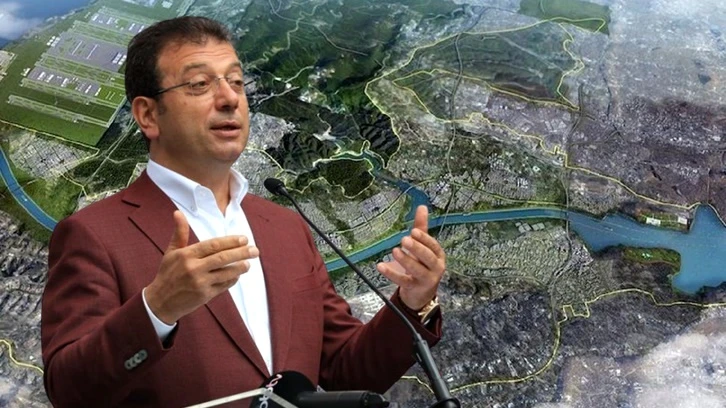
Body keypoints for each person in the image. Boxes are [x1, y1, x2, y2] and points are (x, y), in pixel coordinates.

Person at [41, 16, 446, 407]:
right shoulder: (95, 234)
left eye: (236, 81)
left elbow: (347, 371)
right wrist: (156, 310)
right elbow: (70, 391)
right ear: (148, 115)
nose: (230, 98)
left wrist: (413, 301)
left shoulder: (285, 227)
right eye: (199, 84)